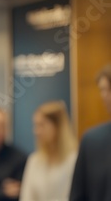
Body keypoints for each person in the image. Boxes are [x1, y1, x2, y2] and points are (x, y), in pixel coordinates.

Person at [20, 100, 78, 201]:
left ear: (58, 126)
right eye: (35, 125)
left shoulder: (74, 159)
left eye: (41, 125)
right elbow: (26, 197)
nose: (36, 131)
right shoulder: (34, 160)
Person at [70, 63, 111, 201]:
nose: (104, 96)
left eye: (107, 90)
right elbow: (77, 194)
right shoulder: (92, 141)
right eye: (102, 90)